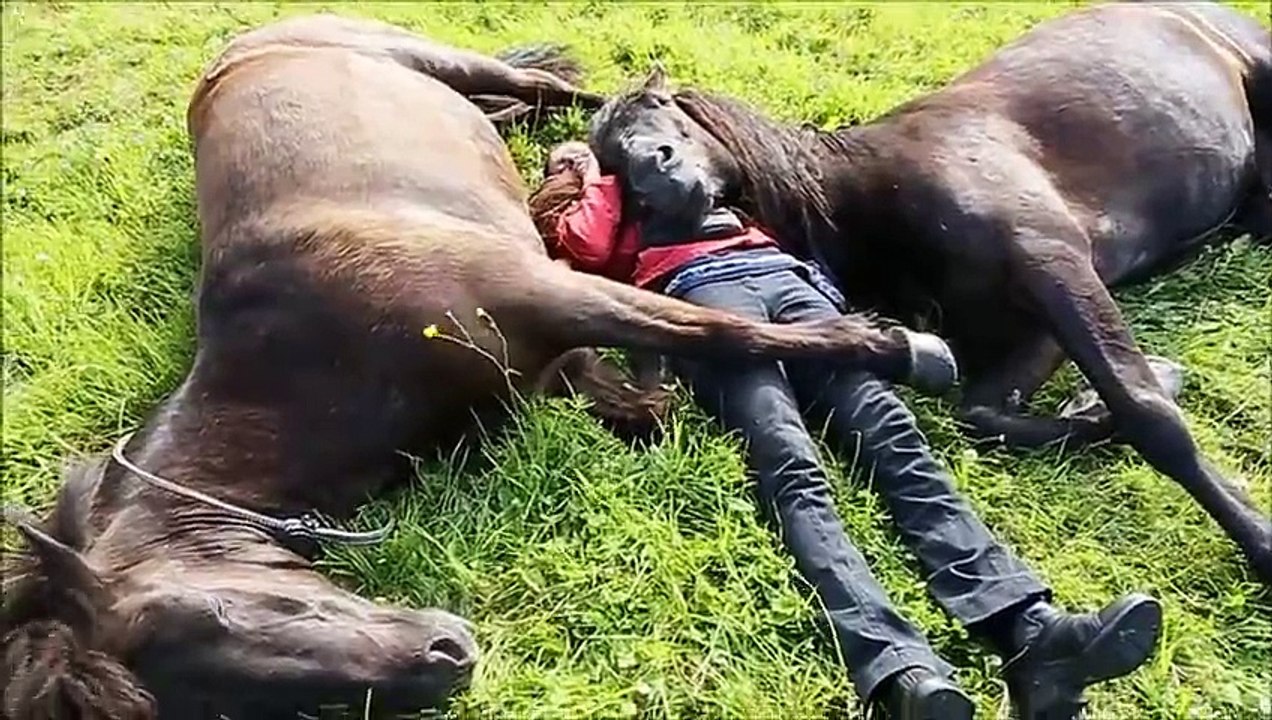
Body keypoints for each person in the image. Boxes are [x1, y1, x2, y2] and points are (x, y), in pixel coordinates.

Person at [527, 141, 1162, 720]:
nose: (661, 149)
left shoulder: (725, 186)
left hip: (794, 286)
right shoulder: (609, 190)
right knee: (788, 462)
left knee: (894, 436)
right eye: (637, 146)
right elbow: (584, 248)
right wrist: (586, 171)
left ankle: (1033, 632)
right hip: (698, 301)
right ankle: (895, 668)